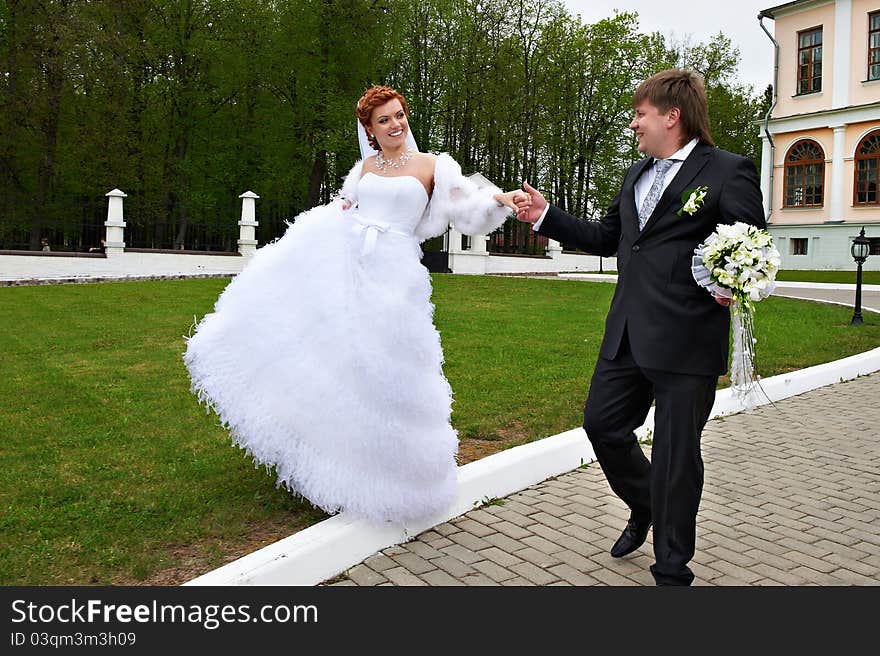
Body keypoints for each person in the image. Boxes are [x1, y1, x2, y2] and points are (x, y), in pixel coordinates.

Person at [184, 85, 523, 524]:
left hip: (395, 275)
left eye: (399, 115)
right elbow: (349, 205)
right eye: (384, 120)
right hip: (350, 267)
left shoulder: (434, 166)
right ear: (369, 129)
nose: (396, 124)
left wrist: (501, 199)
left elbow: (467, 205)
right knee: (344, 365)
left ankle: (399, 477)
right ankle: (342, 470)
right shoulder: (364, 167)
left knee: (390, 371)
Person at [514, 69, 765, 585]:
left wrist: (731, 281)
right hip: (627, 332)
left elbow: (750, 244)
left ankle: (671, 570)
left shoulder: (728, 171)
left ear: (672, 116)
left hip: (687, 340)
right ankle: (646, 504)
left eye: (640, 115)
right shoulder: (635, 175)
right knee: (601, 425)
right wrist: (546, 216)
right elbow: (610, 237)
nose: (633, 125)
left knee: (676, 457)